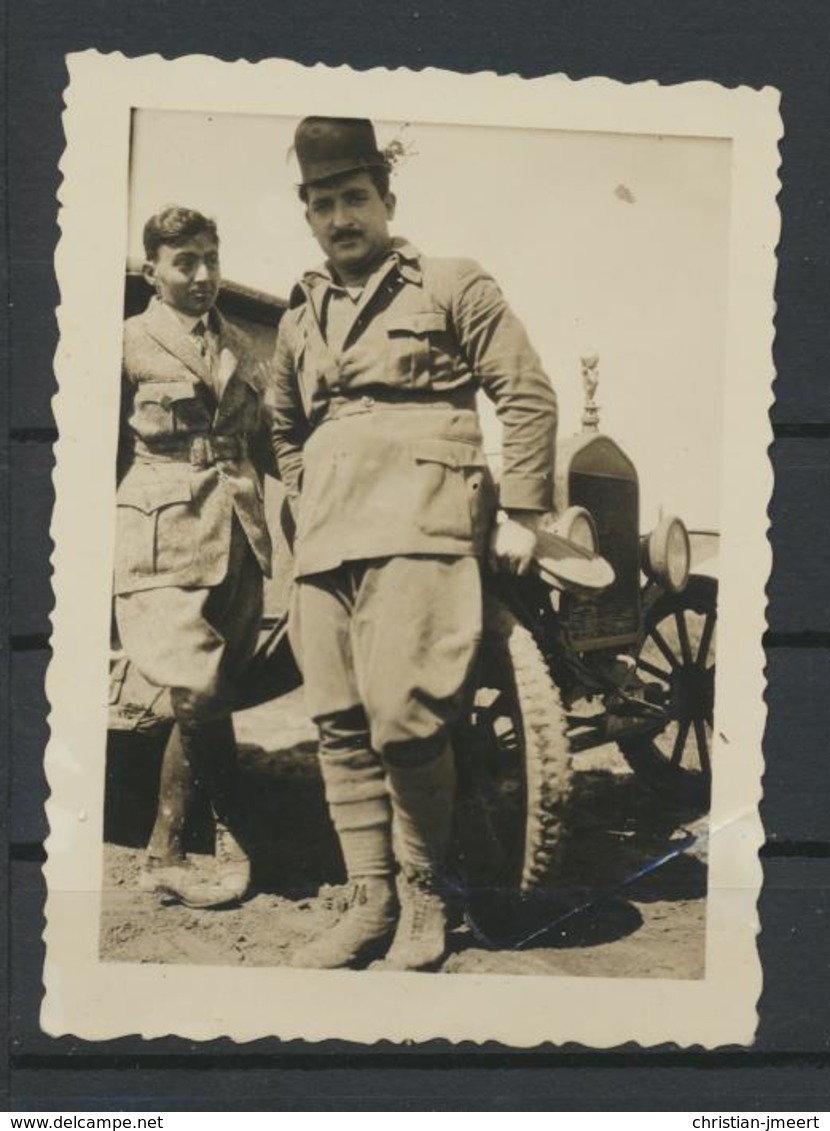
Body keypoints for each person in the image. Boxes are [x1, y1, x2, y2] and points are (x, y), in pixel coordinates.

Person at [270, 117, 558, 970]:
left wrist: (524, 511)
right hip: (328, 537)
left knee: (406, 718)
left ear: (387, 200)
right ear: (308, 214)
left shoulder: (452, 283)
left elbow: (527, 394)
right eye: (323, 204)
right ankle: (369, 903)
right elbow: (286, 432)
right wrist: (309, 489)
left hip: (425, 520)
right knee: (336, 720)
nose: (340, 218)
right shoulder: (298, 316)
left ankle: (426, 901)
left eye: (355, 198)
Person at [115, 206, 273, 908]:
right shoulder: (125, 341)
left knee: (203, 696)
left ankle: (164, 854)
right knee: (199, 685)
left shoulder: (241, 343)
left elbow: (270, 445)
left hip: (237, 537)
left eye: (211, 258)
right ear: (153, 270)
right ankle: (236, 826)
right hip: (159, 538)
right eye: (185, 262)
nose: (203, 274)